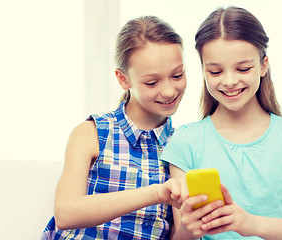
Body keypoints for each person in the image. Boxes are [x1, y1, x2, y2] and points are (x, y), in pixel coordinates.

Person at [161, 6, 282, 240]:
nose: (229, 81)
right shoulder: (185, 141)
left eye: (243, 68)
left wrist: (250, 224)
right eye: (215, 72)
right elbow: (180, 235)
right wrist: (188, 229)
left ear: (264, 65)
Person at [41, 15, 188, 240]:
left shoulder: (182, 146)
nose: (169, 91)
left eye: (177, 75)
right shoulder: (91, 133)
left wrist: (192, 229)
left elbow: (181, 235)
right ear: (123, 79)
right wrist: (157, 193)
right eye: (152, 82)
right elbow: (65, 214)